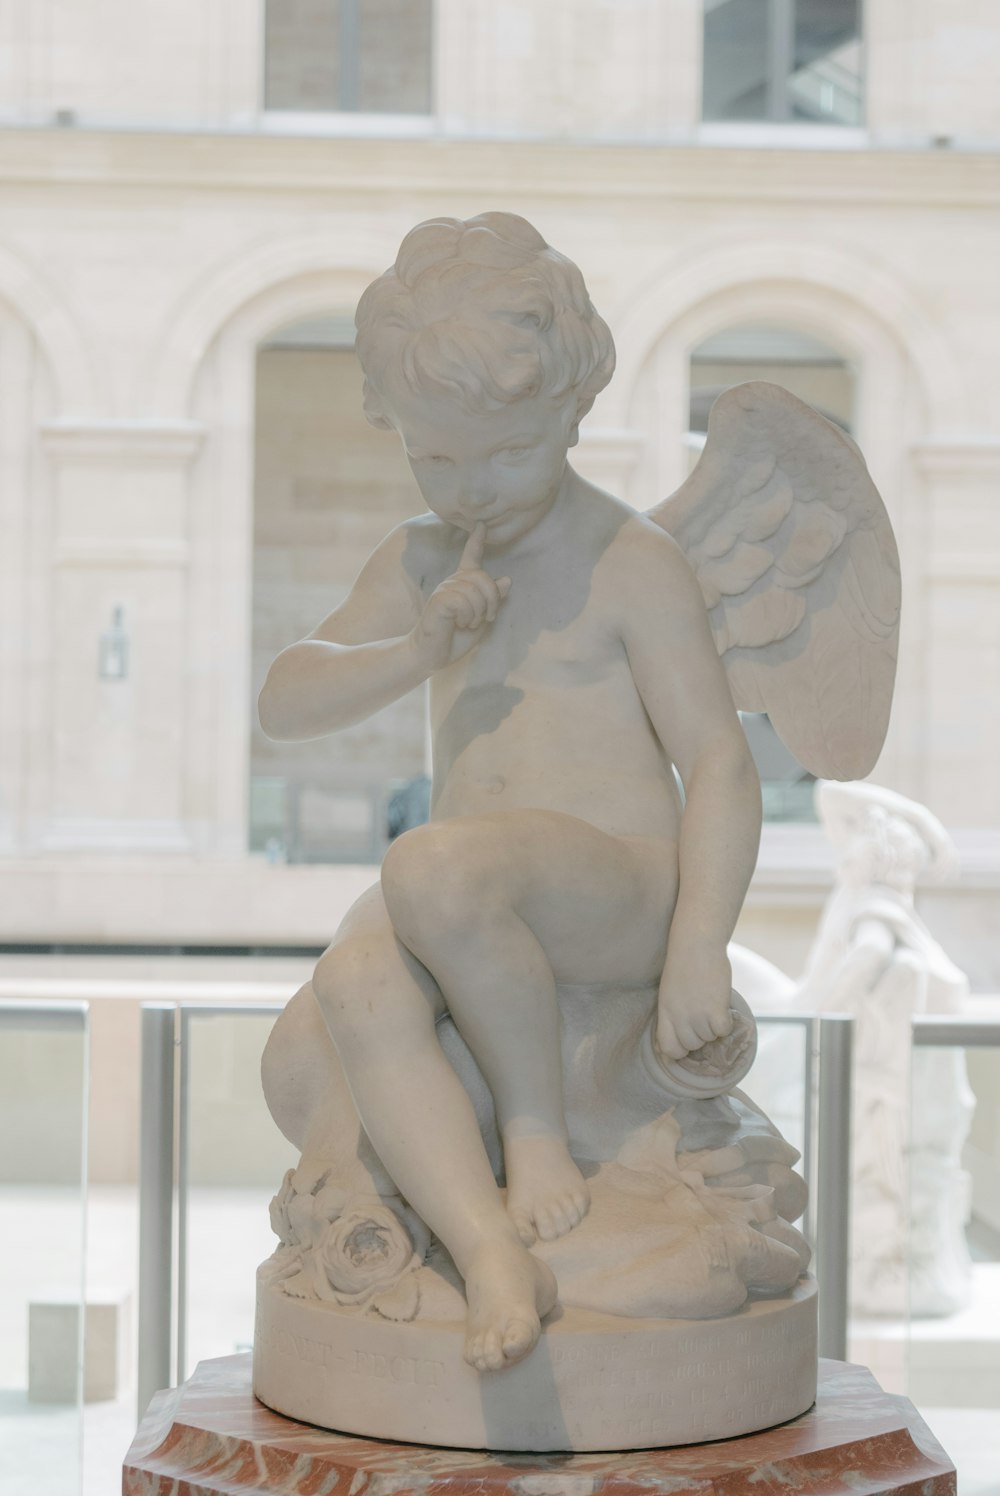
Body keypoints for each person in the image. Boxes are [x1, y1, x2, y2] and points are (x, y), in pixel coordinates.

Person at [258, 212, 762, 1371]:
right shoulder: (425, 560)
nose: (471, 489)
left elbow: (722, 762)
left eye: (503, 456)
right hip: (466, 896)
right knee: (342, 997)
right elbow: (288, 699)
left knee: (432, 860)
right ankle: (489, 1246)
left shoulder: (631, 560)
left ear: (569, 413)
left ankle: (537, 1129)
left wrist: (699, 951)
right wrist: (412, 648)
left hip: (614, 890)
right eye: (437, 459)